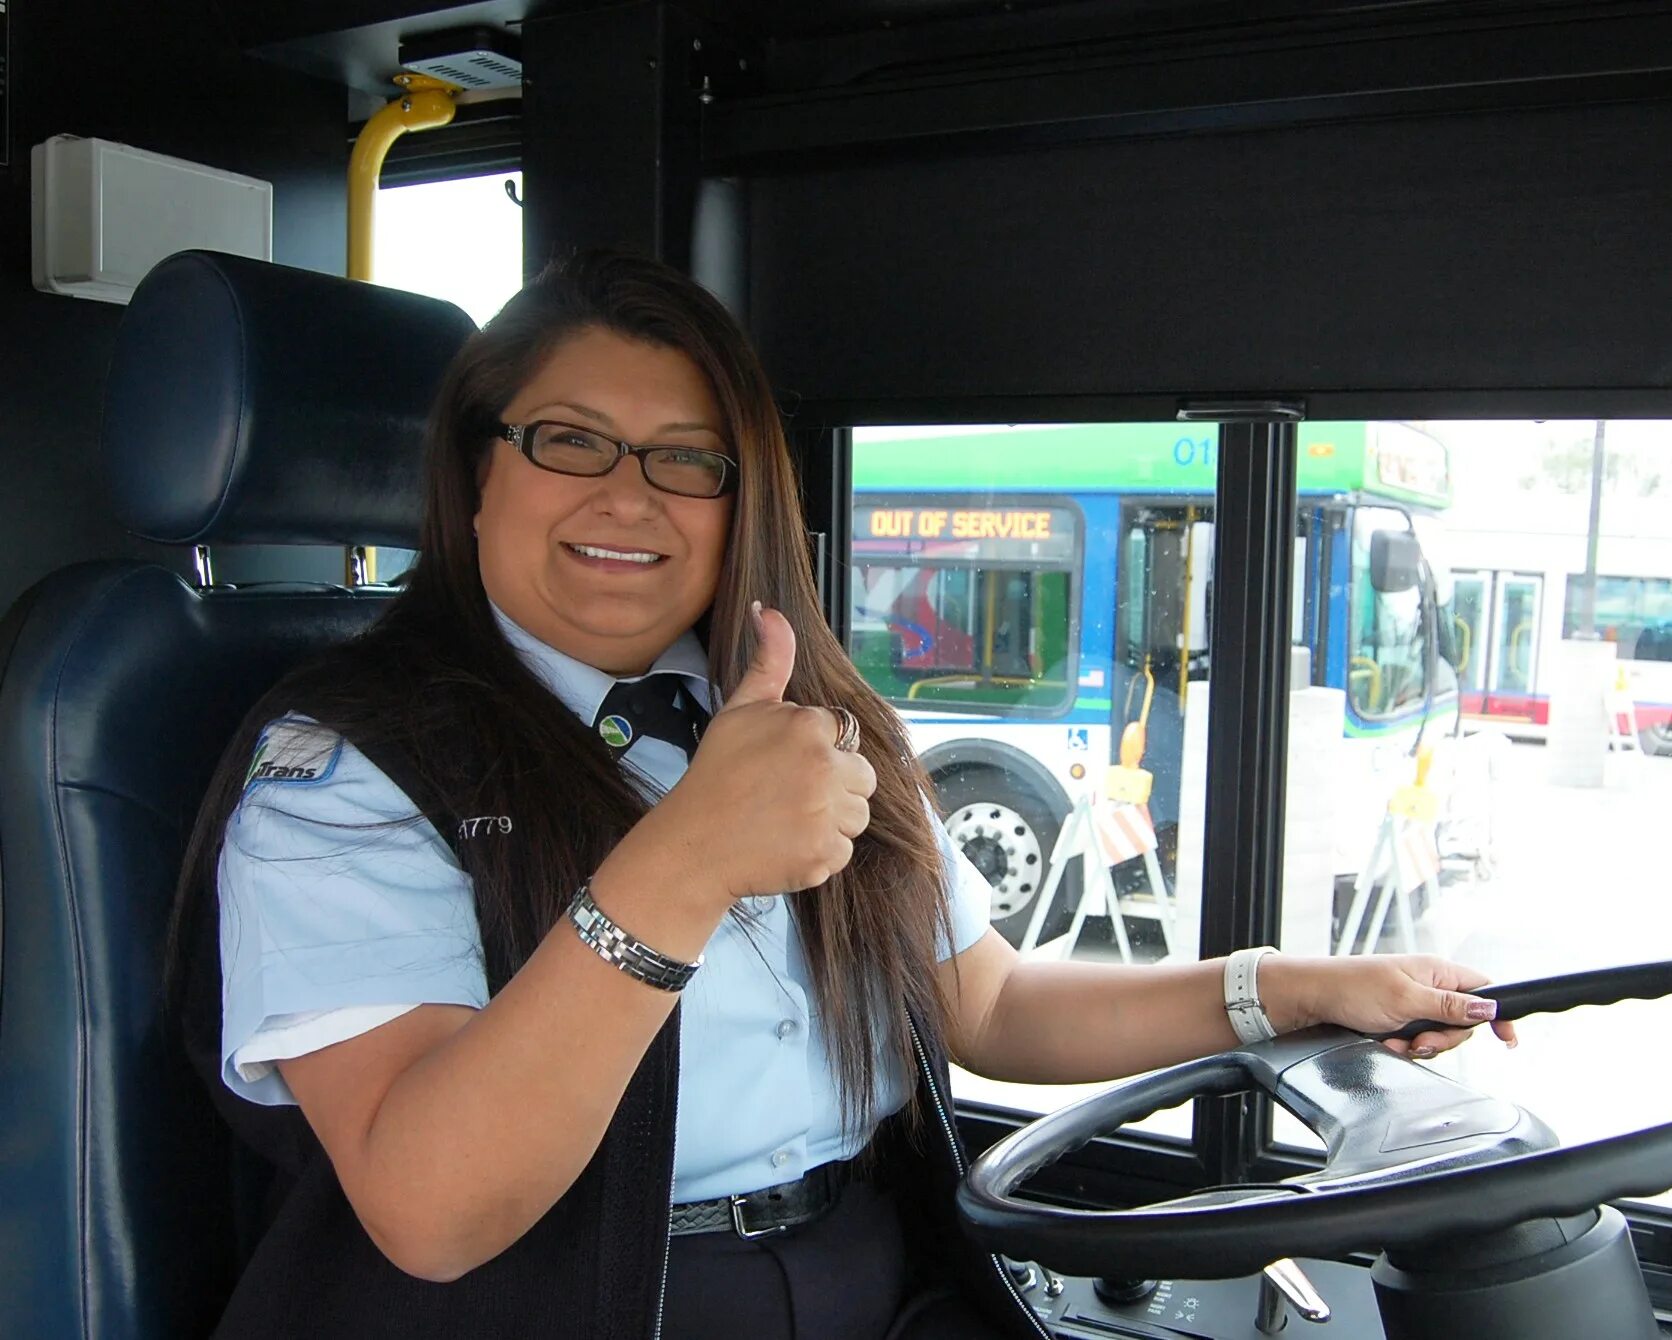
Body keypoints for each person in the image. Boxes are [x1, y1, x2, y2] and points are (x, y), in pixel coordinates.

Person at [170, 250, 1516, 1340]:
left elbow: (981, 1002)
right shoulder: (347, 764)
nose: (628, 495)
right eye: (570, 441)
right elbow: (433, 1208)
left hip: (877, 1278)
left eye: (685, 457)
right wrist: (681, 863)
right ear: (478, 476)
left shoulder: (816, 720)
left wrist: (1282, 991)